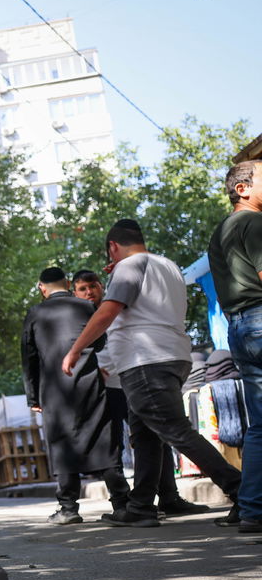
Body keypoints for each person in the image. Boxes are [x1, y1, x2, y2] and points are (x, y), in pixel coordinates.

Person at [63, 221, 242, 522]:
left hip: (146, 360)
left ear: (113, 247)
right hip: (171, 356)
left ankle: (245, 494)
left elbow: (108, 311)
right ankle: (141, 506)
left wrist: (75, 349)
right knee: (145, 436)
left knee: (177, 432)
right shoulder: (167, 266)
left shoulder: (129, 267)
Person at [73, 267, 210, 519]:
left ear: (102, 286)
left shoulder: (118, 304)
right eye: (83, 288)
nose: (90, 292)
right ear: (75, 292)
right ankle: (125, 505)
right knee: (112, 448)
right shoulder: (75, 317)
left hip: (135, 380)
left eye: (93, 286)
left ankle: (169, 497)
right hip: (105, 391)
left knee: (157, 438)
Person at [23, 266, 135, 525]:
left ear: (42, 288)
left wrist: (33, 398)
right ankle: (121, 503)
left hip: (53, 389)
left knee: (62, 445)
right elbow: (98, 343)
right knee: (104, 441)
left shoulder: (35, 313)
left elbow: (29, 358)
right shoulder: (85, 307)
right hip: (89, 383)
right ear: (67, 284)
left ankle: (68, 509)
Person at [208, 159, 262, 533]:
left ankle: (253, 510)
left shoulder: (221, 231)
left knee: (259, 425)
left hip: (239, 327)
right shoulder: (254, 223)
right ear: (242, 188)